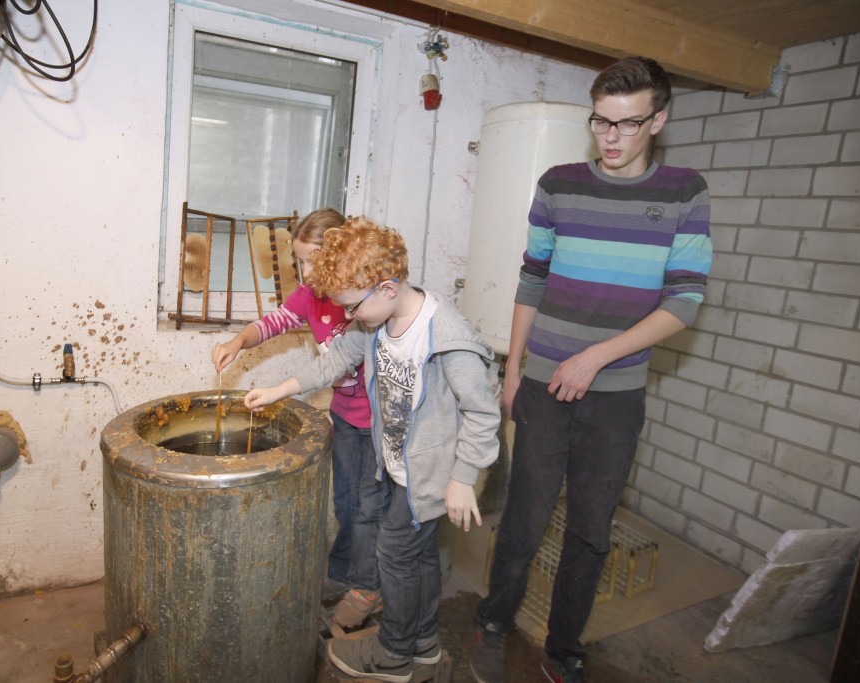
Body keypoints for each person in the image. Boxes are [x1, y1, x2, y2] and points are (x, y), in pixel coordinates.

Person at [470, 56, 712, 683]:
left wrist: (597, 356)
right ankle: (493, 622)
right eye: (601, 121)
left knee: (590, 530)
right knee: (524, 516)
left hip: (616, 395)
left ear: (658, 120)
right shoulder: (559, 183)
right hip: (543, 385)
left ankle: (564, 648)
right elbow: (532, 278)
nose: (610, 136)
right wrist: (514, 370)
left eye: (627, 123)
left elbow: (685, 301)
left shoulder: (684, 191)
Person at [244, 217, 501, 683]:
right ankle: (423, 644)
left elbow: (483, 413)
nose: (349, 315)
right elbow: (337, 361)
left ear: (386, 287)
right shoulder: (376, 320)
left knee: (394, 553)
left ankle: (394, 655)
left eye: (352, 306)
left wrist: (463, 478)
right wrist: (279, 390)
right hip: (400, 465)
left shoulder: (447, 338)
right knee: (419, 557)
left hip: (433, 474)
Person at [211, 208, 386, 627]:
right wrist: (238, 341)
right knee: (345, 503)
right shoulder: (310, 295)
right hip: (345, 416)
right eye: (300, 262)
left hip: (379, 424)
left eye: (312, 260)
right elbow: (273, 322)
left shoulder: (364, 300)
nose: (305, 272)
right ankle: (341, 574)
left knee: (370, 508)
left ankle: (368, 586)